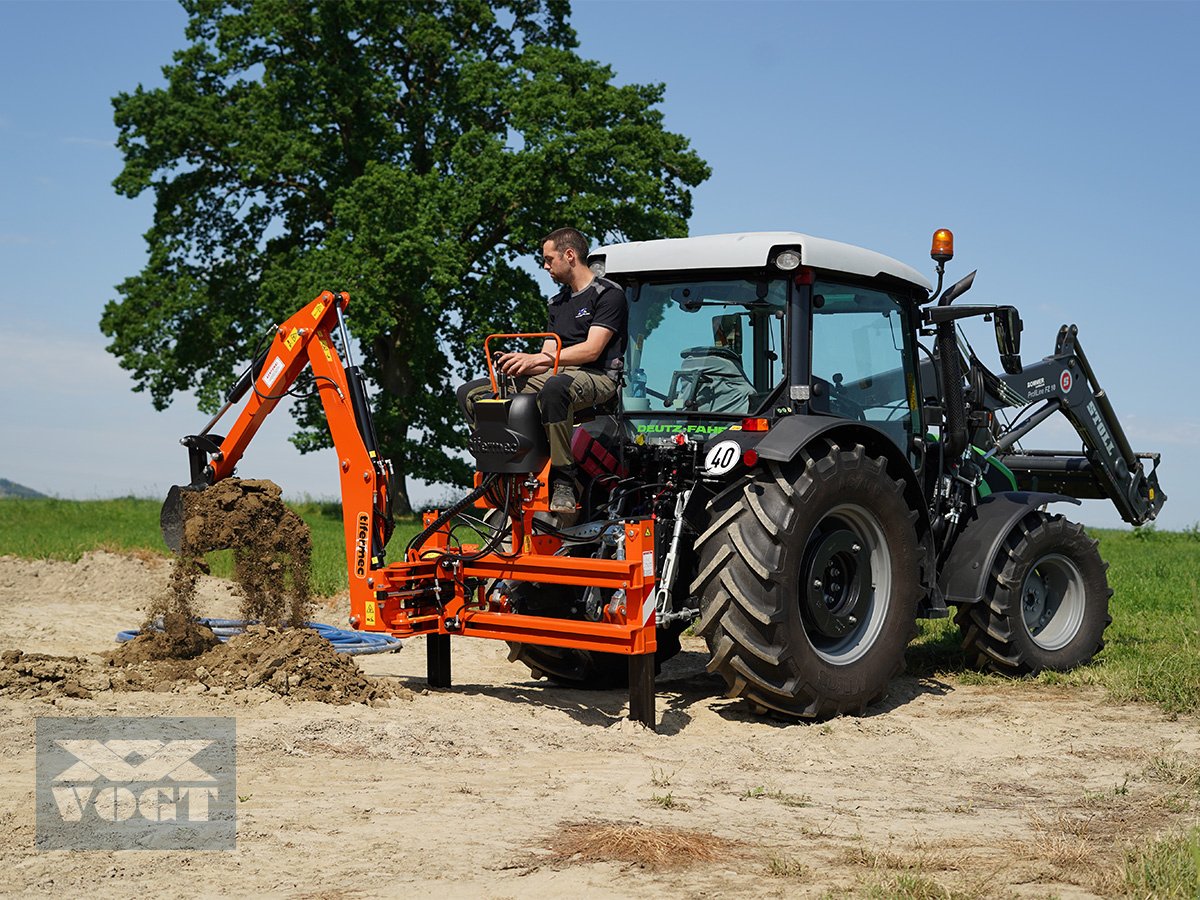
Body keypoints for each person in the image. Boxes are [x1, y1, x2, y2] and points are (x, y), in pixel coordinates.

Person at [457, 227, 627, 514]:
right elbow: (548, 353)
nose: (545, 266)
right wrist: (520, 363)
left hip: (598, 377)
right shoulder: (557, 303)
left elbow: (591, 350)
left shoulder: (609, 295)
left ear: (570, 255)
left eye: (549, 259)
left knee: (555, 388)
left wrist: (538, 360)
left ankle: (563, 478)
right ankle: (501, 469)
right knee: (473, 393)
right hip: (557, 374)